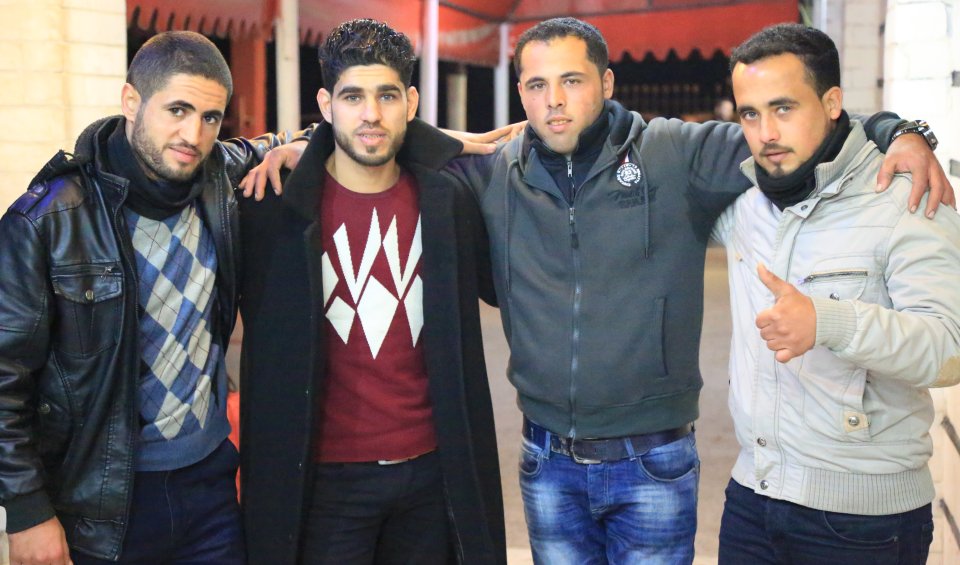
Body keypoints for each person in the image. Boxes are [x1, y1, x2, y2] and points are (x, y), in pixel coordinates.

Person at [244, 17, 950, 564]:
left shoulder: (673, 153)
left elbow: (792, 129)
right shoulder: (495, 173)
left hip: (655, 462)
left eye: (572, 81)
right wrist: (299, 143)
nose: (554, 102)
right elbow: (392, 134)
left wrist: (900, 130)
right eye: (536, 85)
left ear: (607, 83)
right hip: (547, 459)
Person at [0, 31, 306, 565]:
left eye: (210, 118)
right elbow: (5, 377)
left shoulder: (219, 177)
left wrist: (296, 149)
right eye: (177, 110)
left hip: (210, 485)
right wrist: (26, 511)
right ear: (131, 101)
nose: (193, 134)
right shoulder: (48, 220)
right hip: (100, 501)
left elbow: (332, 128)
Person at [236, 19, 506, 565]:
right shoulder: (273, 207)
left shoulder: (448, 201)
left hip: (431, 475)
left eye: (387, 95)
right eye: (352, 96)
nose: (371, 114)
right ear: (326, 105)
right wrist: (291, 147)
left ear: (411, 103)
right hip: (324, 484)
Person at [713, 23, 960, 564]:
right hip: (751, 499)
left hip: (864, 521)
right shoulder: (745, 203)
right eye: (750, 114)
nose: (766, 132)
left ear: (831, 103)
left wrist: (829, 322)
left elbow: (949, 350)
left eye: (783, 108)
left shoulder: (906, 196)